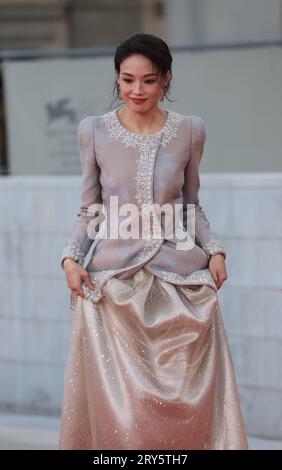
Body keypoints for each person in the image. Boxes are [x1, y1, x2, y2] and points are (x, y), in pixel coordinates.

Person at [58, 33, 248, 450]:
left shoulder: (190, 131)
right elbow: (92, 209)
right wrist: (71, 260)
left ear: (166, 78)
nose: (136, 90)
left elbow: (191, 206)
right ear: (117, 80)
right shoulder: (94, 131)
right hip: (113, 285)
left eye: (147, 80)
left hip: (180, 280)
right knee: (123, 407)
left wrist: (214, 249)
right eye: (127, 80)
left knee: (186, 397)